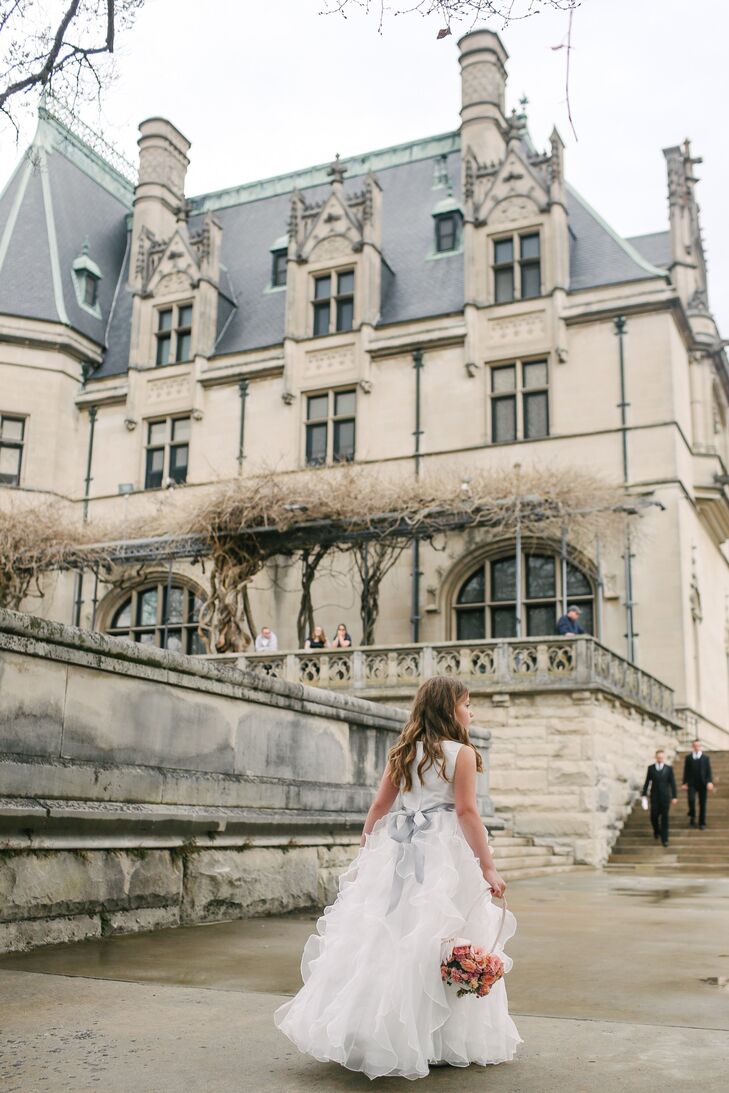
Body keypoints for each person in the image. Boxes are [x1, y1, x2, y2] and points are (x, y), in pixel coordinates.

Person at [275, 676, 521, 1080]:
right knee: (443, 933)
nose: (471, 711)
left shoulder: (403, 752)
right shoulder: (461, 754)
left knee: (391, 933)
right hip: (443, 853)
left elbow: (378, 806)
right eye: (467, 703)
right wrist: (487, 866)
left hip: (398, 850)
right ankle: (436, 1037)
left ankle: (376, 1030)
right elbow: (466, 813)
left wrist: (369, 851)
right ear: (449, 709)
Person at [641, 749, 678, 847]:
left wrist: (674, 796)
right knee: (653, 816)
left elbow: (672, 783)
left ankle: (665, 839)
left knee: (665, 818)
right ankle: (656, 830)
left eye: (661, 757)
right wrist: (644, 794)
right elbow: (647, 782)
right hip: (654, 797)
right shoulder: (651, 768)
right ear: (656, 758)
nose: (660, 759)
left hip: (665, 797)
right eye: (658, 757)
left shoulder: (668, 769)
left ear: (663, 758)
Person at [681, 739, 714, 829]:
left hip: (702, 783)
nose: (696, 747)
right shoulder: (688, 758)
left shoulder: (705, 758)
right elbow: (686, 771)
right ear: (692, 746)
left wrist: (709, 782)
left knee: (702, 803)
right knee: (691, 800)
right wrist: (684, 783)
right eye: (695, 745)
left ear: (700, 746)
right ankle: (692, 815)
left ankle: (702, 823)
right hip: (691, 783)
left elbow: (708, 771)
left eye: (698, 745)